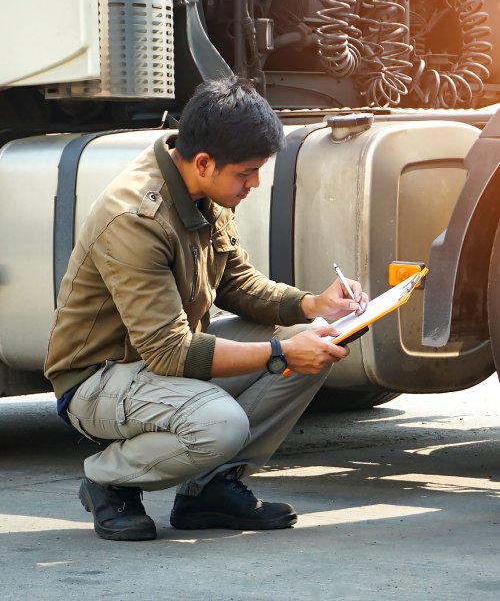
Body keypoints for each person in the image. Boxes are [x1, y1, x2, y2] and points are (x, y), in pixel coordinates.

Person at [44, 75, 368, 542]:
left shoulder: (202, 188)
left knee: (320, 341)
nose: (254, 183)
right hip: (98, 378)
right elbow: (171, 354)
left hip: (157, 362)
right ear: (203, 162)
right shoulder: (136, 216)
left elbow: (237, 283)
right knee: (221, 422)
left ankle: (210, 491)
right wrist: (280, 352)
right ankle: (107, 479)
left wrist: (313, 304)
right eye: (246, 172)